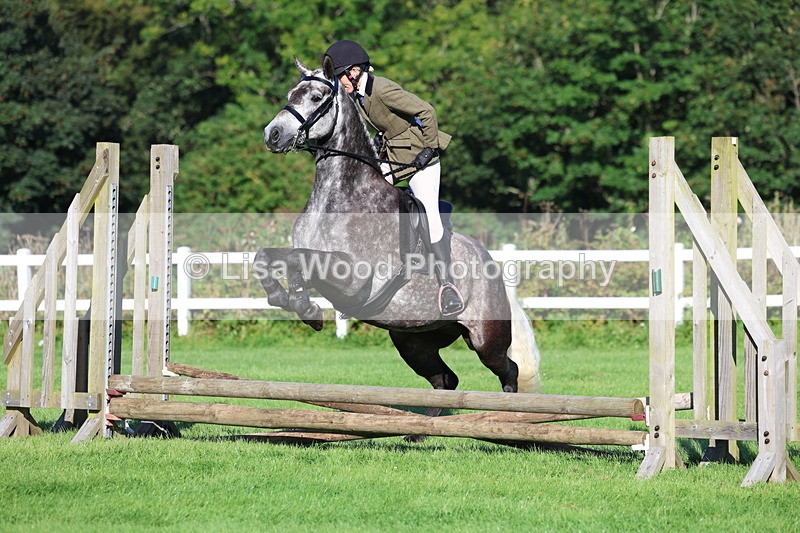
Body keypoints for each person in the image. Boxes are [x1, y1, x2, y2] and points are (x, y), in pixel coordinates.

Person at [323, 40, 464, 317]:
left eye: (340, 76)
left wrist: (429, 148)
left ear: (354, 71)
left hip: (421, 160)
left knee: (428, 215)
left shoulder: (384, 88)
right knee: (368, 199)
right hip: (395, 159)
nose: (340, 83)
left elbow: (427, 111)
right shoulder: (358, 95)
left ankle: (448, 286)